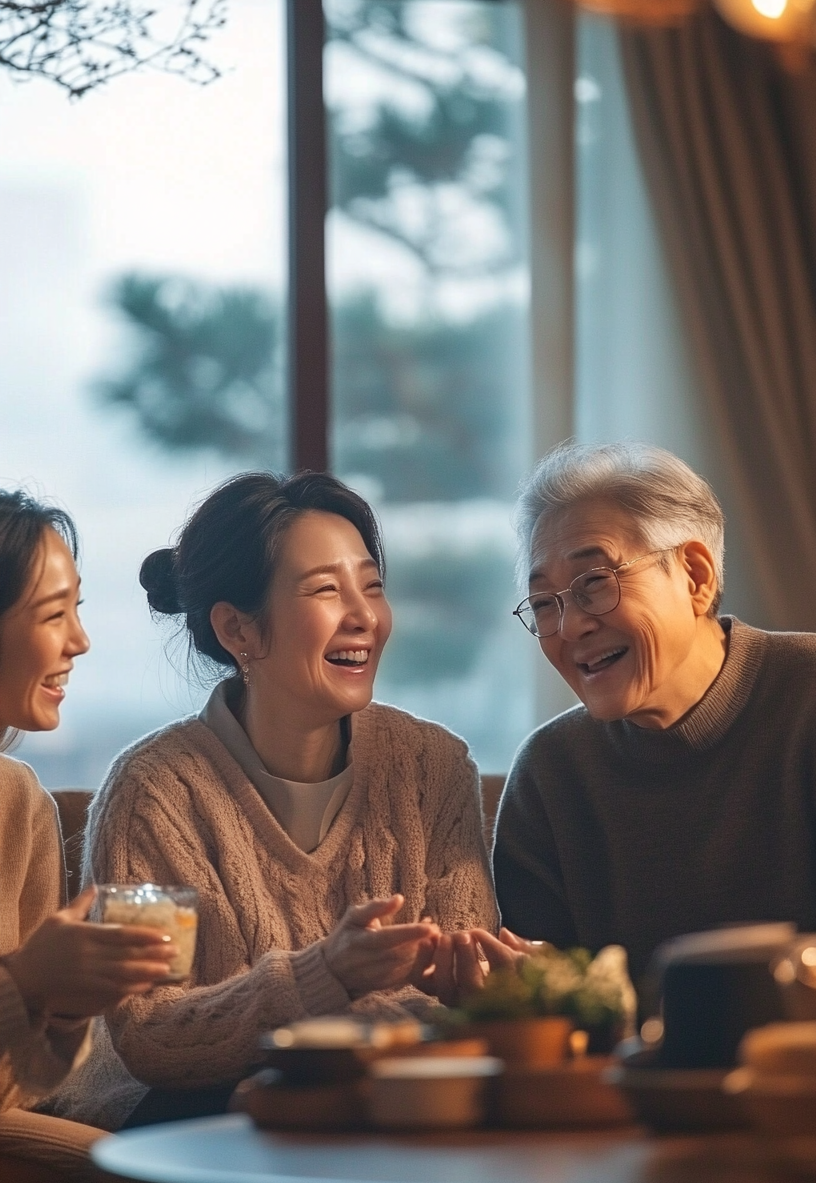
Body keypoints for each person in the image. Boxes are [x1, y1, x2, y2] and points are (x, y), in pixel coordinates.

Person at [46, 470, 498, 1133]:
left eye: (371, 586)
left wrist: (483, 987)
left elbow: (461, 988)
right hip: (191, 1124)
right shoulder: (152, 793)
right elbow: (149, 1033)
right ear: (238, 630)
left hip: (385, 1113)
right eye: (326, 590)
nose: (364, 615)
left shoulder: (433, 768)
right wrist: (327, 975)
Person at [491, 440, 816, 989]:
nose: (570, 628)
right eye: (546, 604)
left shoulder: (804, 696)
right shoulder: (551, 775)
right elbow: (559, 1019)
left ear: (694, 575)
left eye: (594, 584)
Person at [0, 490, 175, 1128]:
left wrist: (66, 1003)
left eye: (78, 609)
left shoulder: (18, 803)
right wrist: (23, 984)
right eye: (54, 615)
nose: (81, 641)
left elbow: (36, 1086)